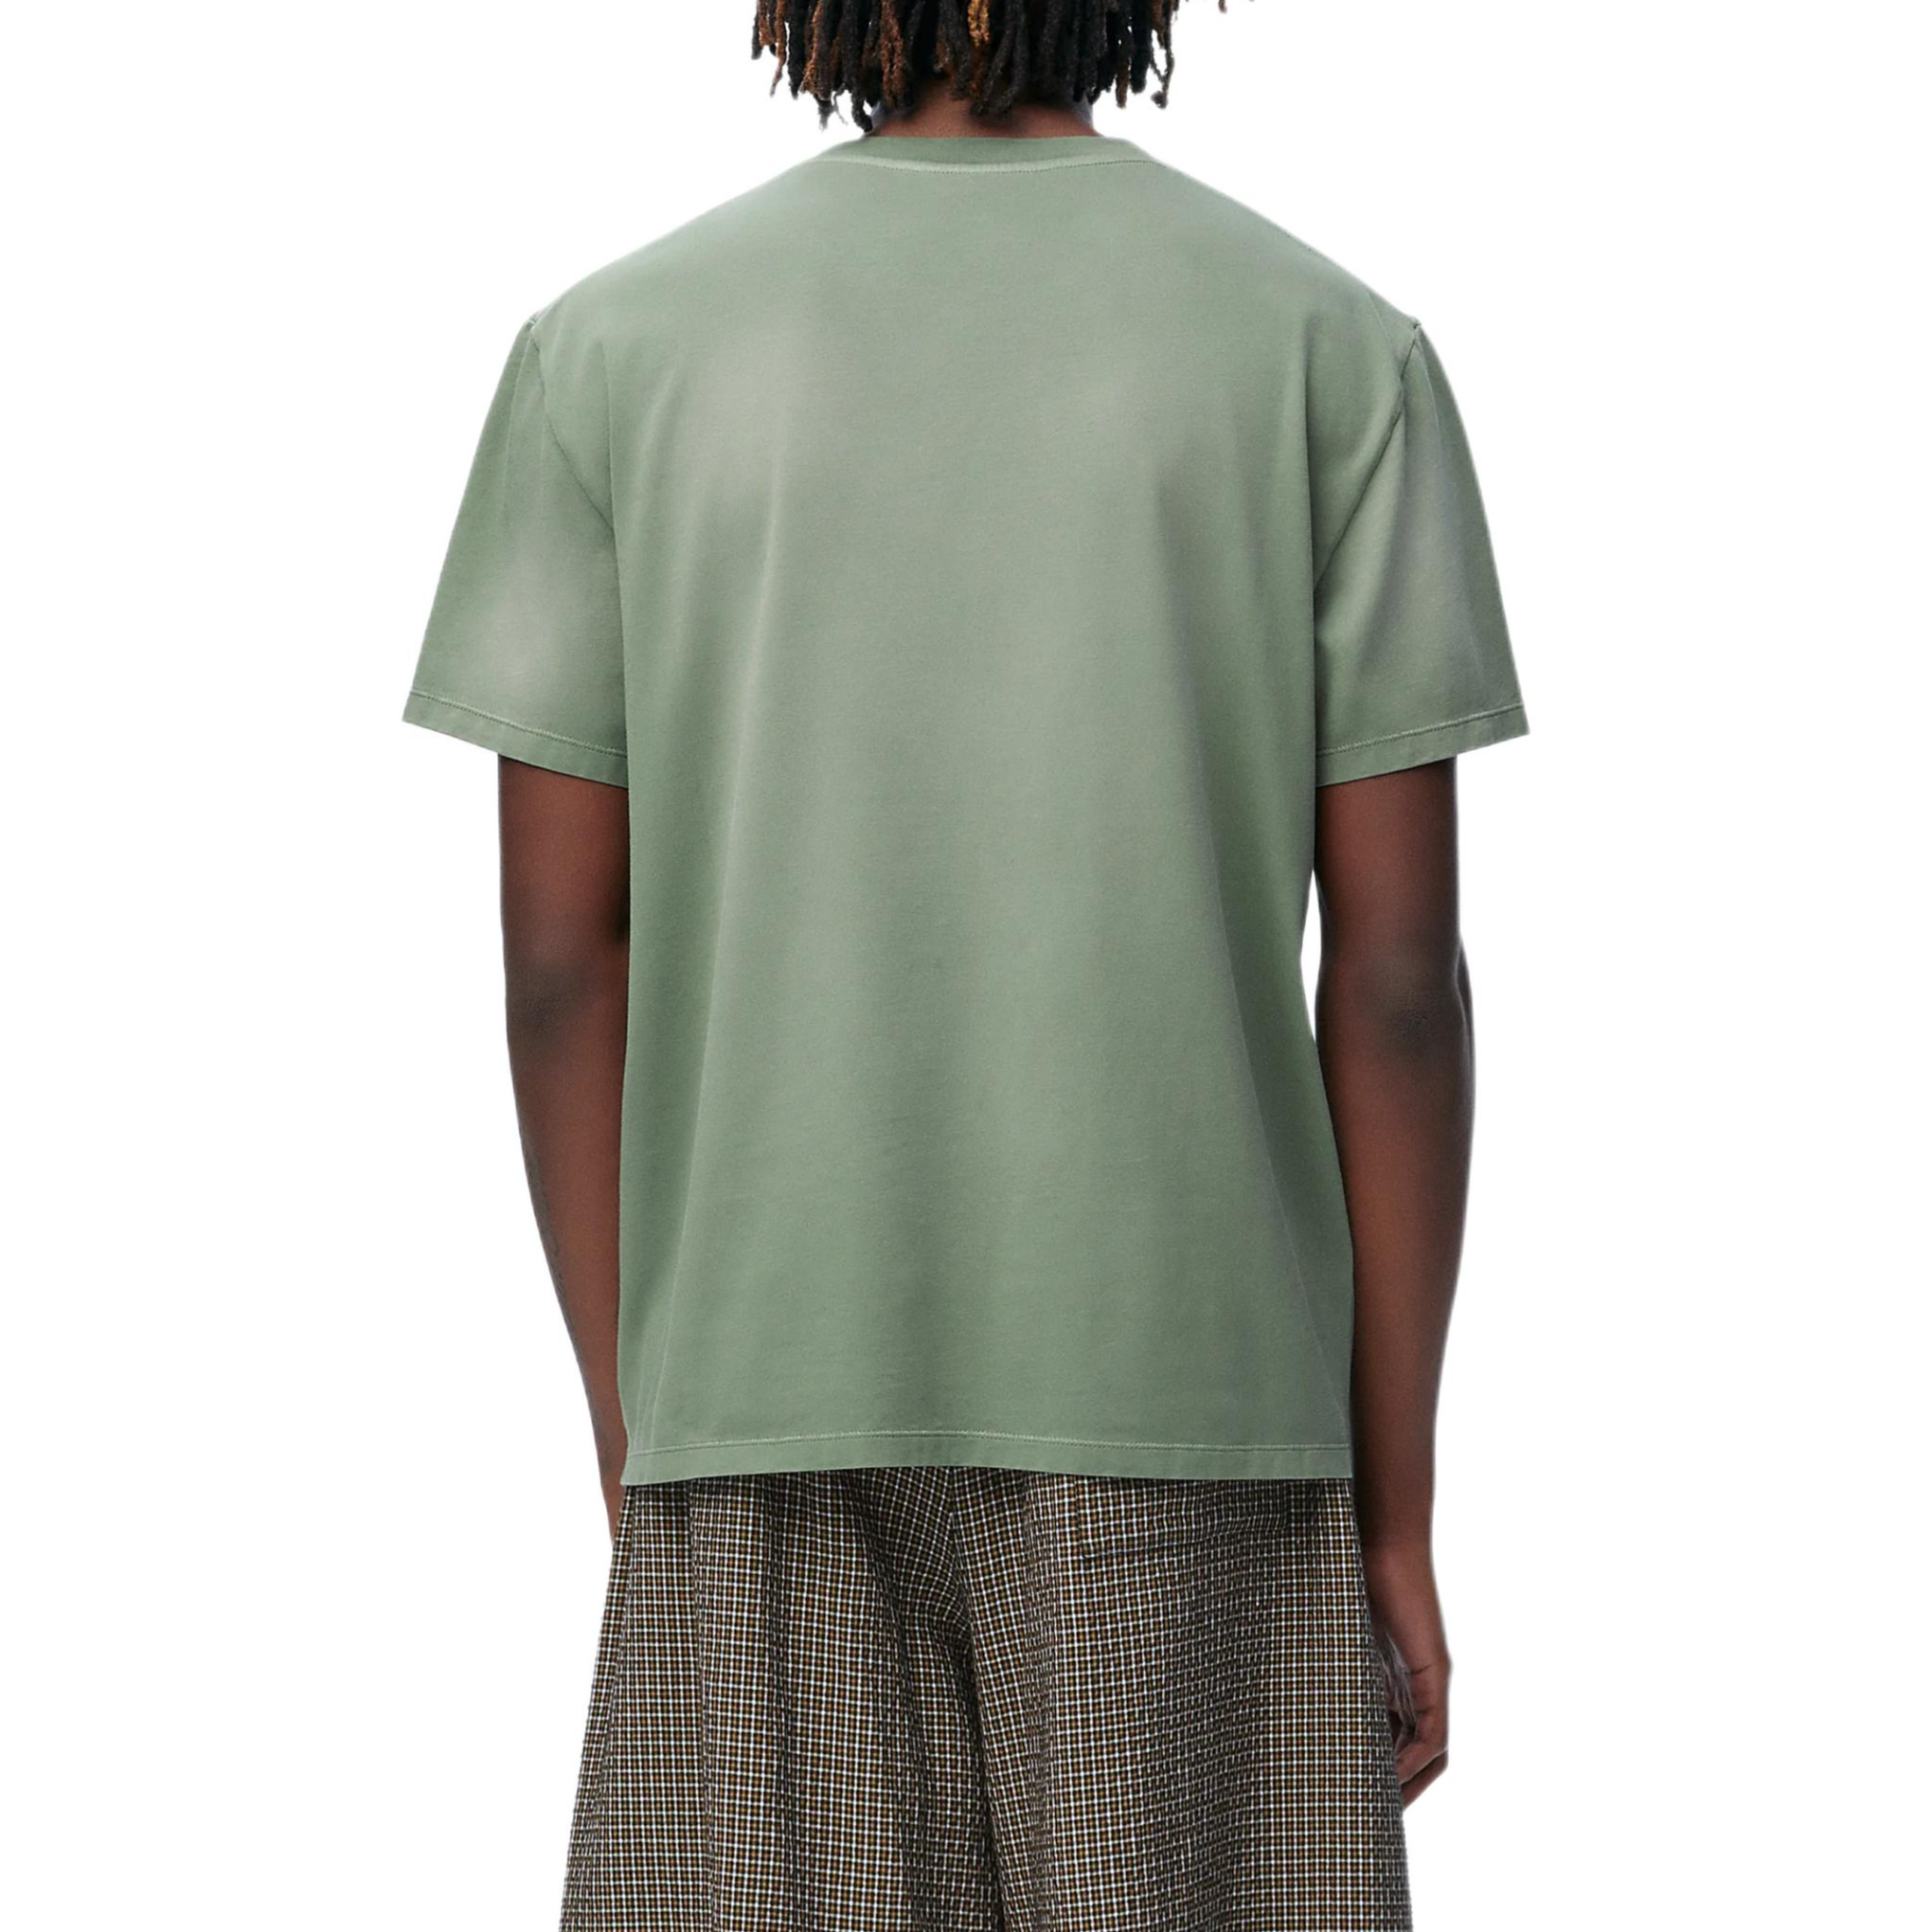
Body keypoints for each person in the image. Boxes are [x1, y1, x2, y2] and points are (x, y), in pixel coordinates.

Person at [404, 4, 1525, 1924]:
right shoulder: (1330, 350)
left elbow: (560, 957)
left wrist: (641, 1418)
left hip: (759, 1374)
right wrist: (1397, 1508)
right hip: (1193, 1387)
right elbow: (1401, 981)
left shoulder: (612, 351)